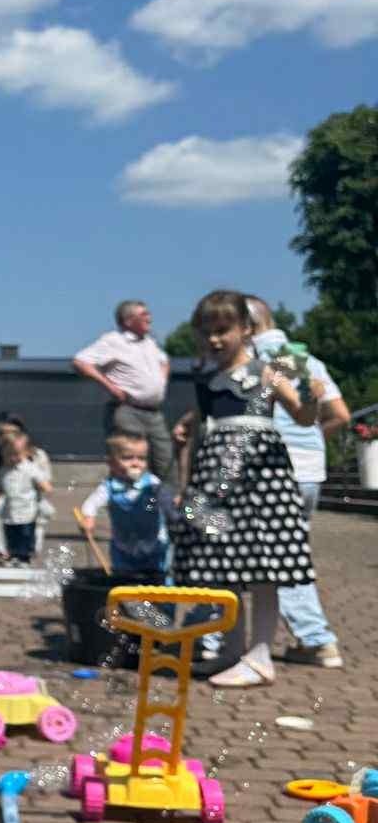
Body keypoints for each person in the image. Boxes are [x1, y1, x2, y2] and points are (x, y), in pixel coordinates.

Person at [172, 287, 319, 689]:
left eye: (223, 330)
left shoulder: (267, 372)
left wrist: (312, 396)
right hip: (217, 477)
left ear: (246, 329)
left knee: (263, 566)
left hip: (260, 477)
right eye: (207, 332)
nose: (215, 339)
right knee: (224, 565)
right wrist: (187, 482)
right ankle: (232, 651)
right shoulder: (208, 380)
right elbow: (202, 431)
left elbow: (303, 417)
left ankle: (259, 656)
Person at [246, 296, 348, 670]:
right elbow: (340, 414)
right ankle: (313, 640)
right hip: (309, 470)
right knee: (291, 554)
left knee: (275, 558)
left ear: (246, 326)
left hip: (272, 468)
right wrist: (313, 437)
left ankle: (316, 639)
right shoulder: (308, 360)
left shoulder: (252, 359)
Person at [72, 300, 173, 479]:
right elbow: (81, 361)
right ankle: (128, 504)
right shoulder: (113, 341)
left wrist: (161, 382)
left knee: (165, 462)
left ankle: (165, 505)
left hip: (154, 412)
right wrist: (110, 387)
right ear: (128, 321)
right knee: (130, 464)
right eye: (143, 315)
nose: (149, 318)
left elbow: (164, 361)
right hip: (128, 410)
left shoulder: (149, 342)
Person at [79, 432, 171, 581]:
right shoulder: (109, 487)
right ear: (111, 463)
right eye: (127, 458)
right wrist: (89, 517)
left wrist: (172, 507)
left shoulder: (152, 483)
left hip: (154, 545)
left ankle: (164, 603)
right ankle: (127, 602)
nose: (135, 463)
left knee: (159, 580)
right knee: (124, 580)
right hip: (123, 546)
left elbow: (167, 503)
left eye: (141, 458)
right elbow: (91, 503)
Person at [0, 413, 52, 565]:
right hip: (8, 509)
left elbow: (45, 484)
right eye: (1, 434)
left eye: (13, 433)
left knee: (25, 533)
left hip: (28, 508)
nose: (6, 438)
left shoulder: (36, 458)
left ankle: (24, 553)